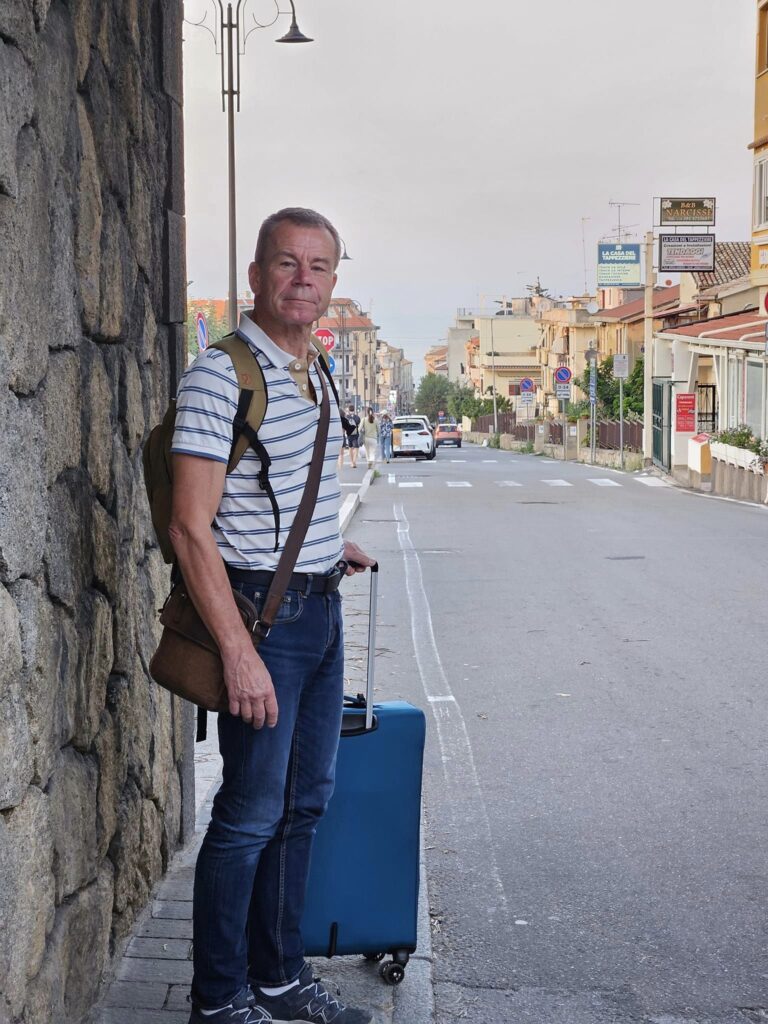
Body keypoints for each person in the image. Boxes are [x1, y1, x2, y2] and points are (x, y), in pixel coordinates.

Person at [169, 207, 375, 1024]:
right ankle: (219, 1000)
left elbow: (284, 488)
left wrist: (329, 547)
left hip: (318, 608)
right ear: (255, 276)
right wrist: (238, 652)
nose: (303, 280)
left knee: (303, 804)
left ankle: (280, 980)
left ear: (333, 282)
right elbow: (191, 527)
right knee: (250, 815)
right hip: (259, 619)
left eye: (318, 267)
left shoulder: (313, 367)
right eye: (287, 263)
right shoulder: (220, 377)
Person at [338, 402, 360, 469]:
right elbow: (358, 425)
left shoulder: (346, 417)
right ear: (354, 409)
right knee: (356, 448)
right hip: (355, 434)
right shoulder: (357, 417)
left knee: (350, 448)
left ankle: (351, 462)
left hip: (348, 435)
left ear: (349, 410)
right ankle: (354, 461)